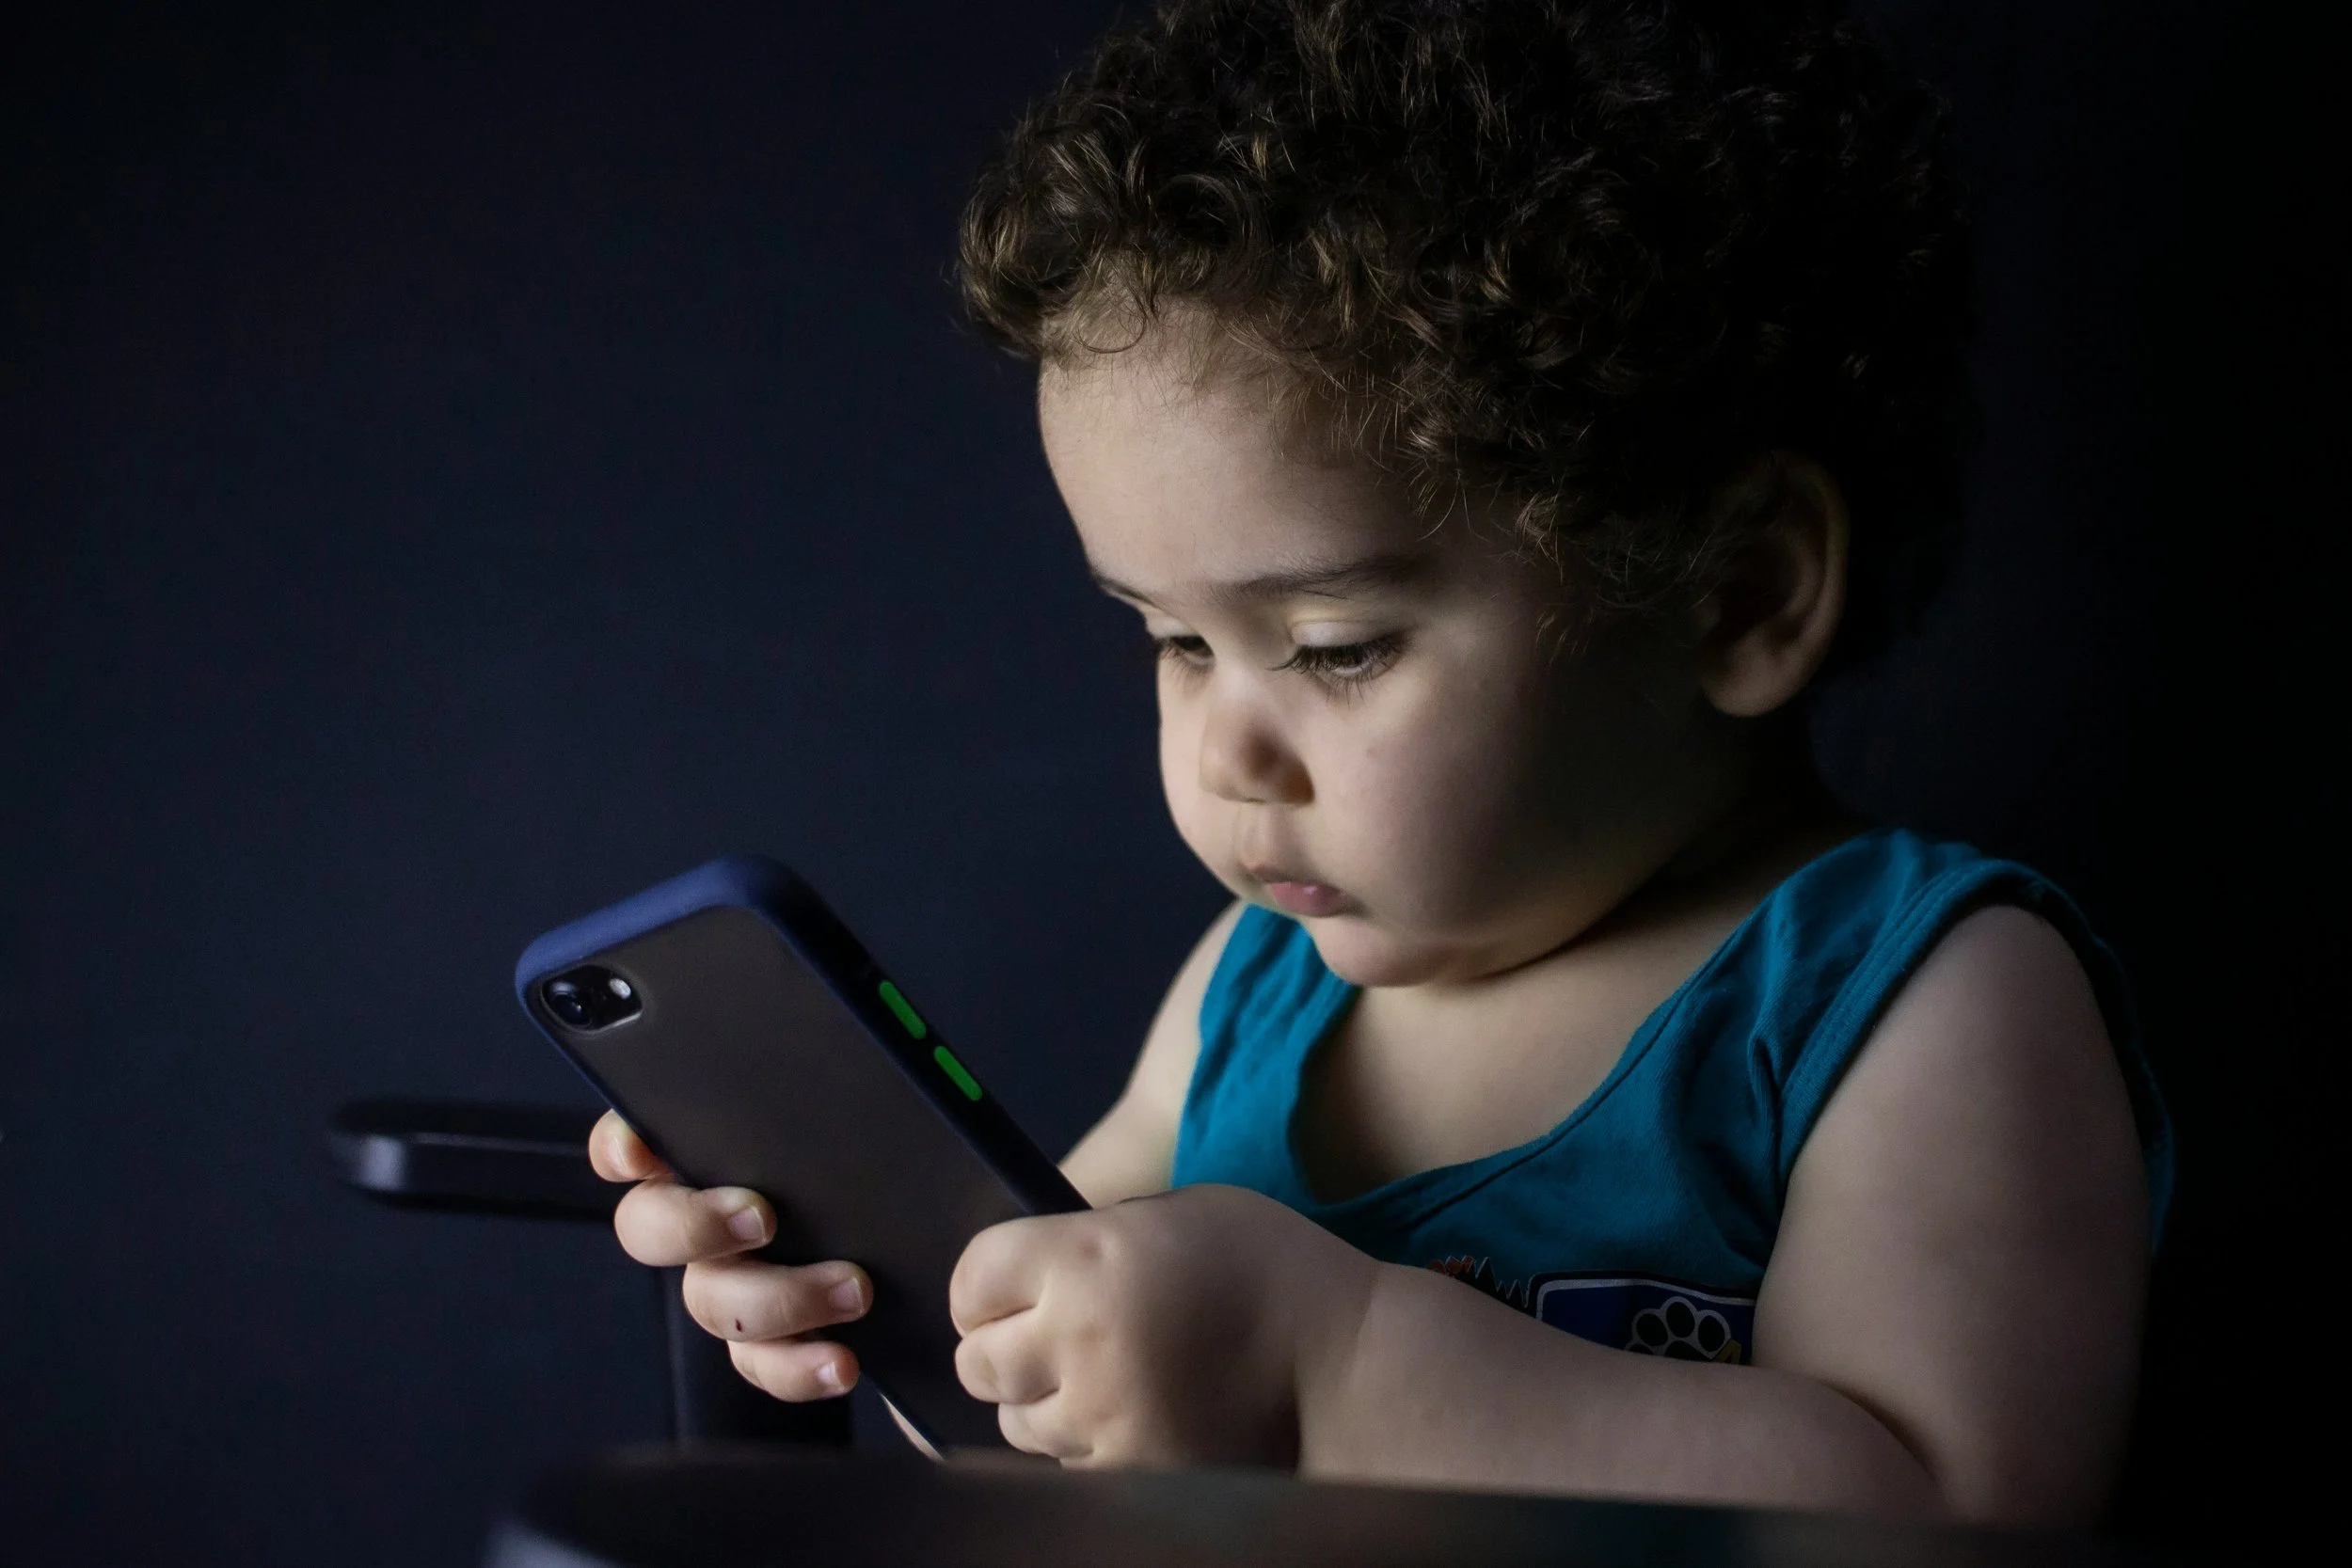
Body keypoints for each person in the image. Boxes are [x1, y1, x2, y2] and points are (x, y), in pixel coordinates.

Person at [590, 0, 2169, 1524]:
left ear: (1736, 591)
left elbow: (1948, 1516)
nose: (1227, 749)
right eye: (1173, 641)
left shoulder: (1912, 1003)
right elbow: (1049, 1416)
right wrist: (883, 1290)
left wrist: (1335, 1369)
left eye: (1338, 645)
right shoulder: (1249, 988)